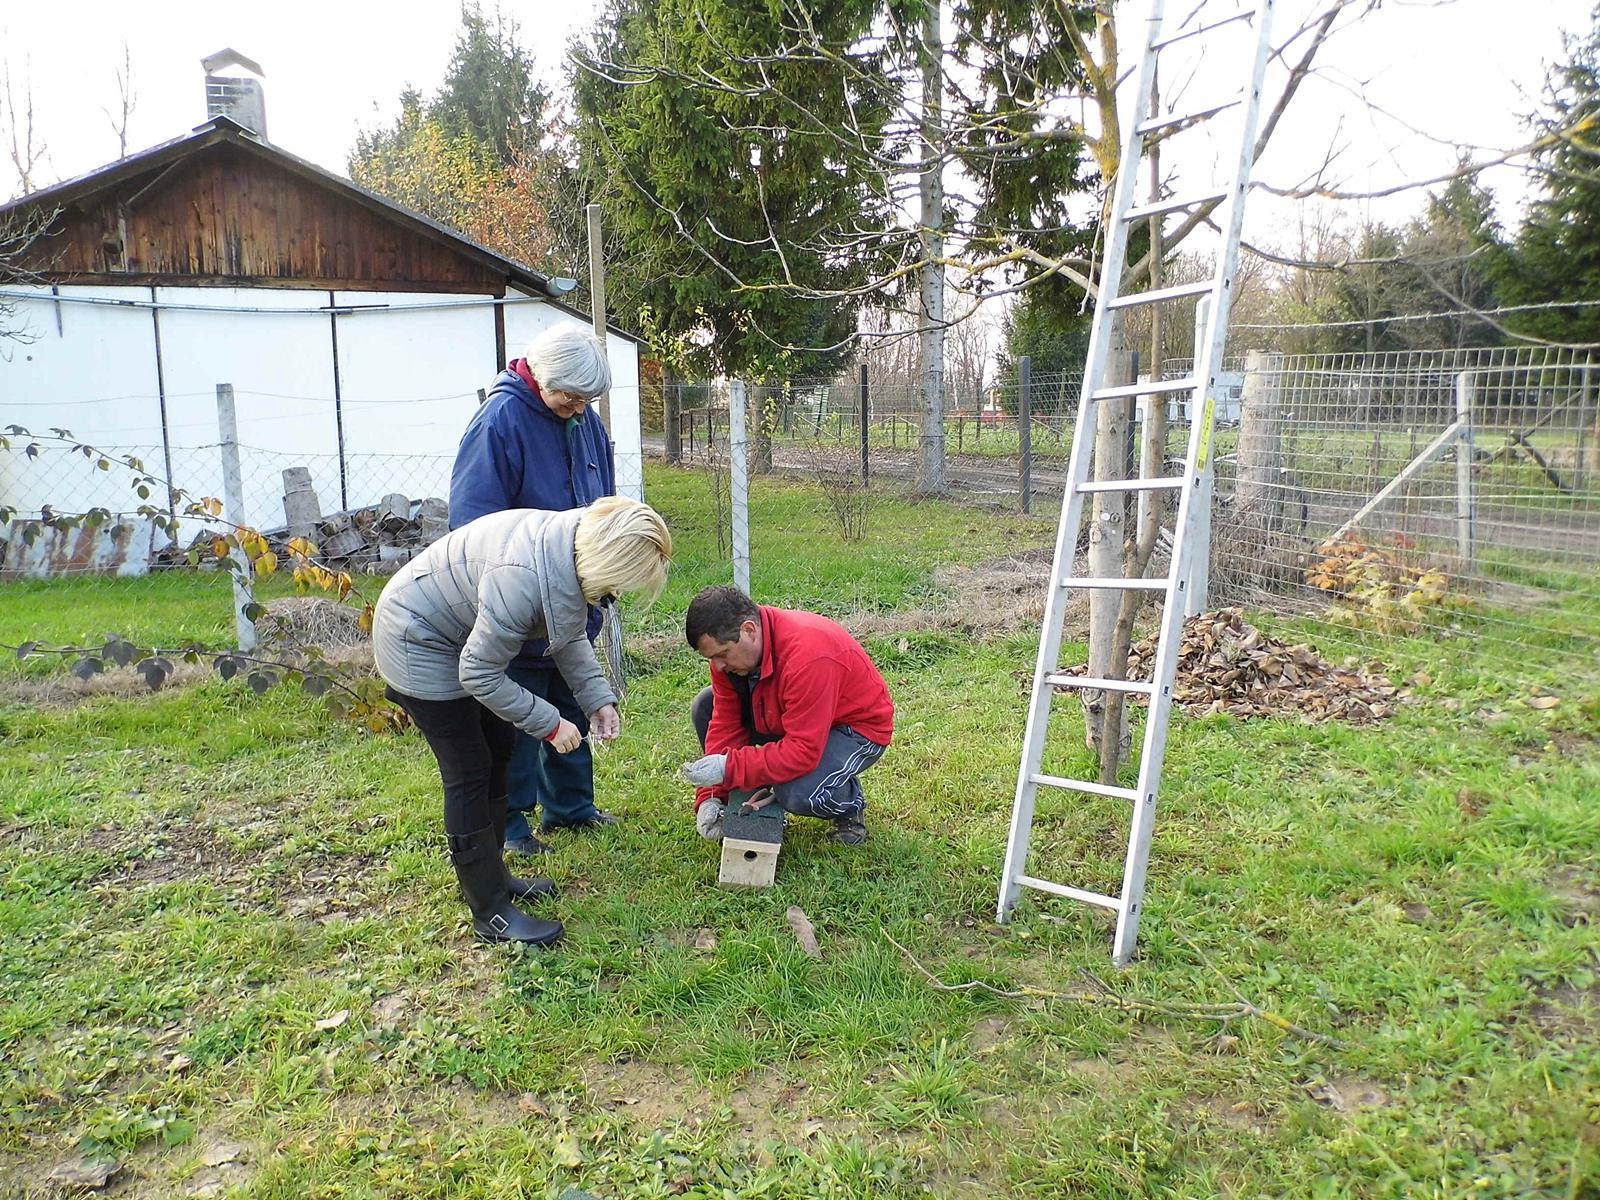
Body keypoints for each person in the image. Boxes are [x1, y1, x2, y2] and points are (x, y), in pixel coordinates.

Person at [373, 497, 671, 946]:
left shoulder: (566, 549)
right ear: (604, 560)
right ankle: (490, 913)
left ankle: (494, 879)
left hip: (457, 635)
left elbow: (568, 634)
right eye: (614, 589)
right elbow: (478, 672)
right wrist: (551, 723)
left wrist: (597, 700)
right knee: (469, 768)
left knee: (500, 746)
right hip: (416, 637)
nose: (613, 598)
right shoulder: (523, 575)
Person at [450, 324, 618, 855]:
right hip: (517, 600)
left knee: (571, 700)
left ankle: (571, 808)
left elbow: (602, 502)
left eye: (588, 400)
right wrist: (507, 592)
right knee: (521, 714)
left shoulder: (583, 419)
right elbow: (471, 524)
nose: (578, 408)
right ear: (541, 375)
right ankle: (515, 823)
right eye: (570, 397)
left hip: (574, 595)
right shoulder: (499, 423)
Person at [680, 586, 893, 845]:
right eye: (711, 658)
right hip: (790, 715)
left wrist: (728, 768)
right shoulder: (729, 661)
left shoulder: (809, 656)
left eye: (722, 654)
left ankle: (849, 804)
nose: (718, 666)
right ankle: (754, 794)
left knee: (796, 792)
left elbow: (802, 751)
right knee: (706, 705)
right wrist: (711, 796)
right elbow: (726, 725)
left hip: (853, 729)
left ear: (749, 630)